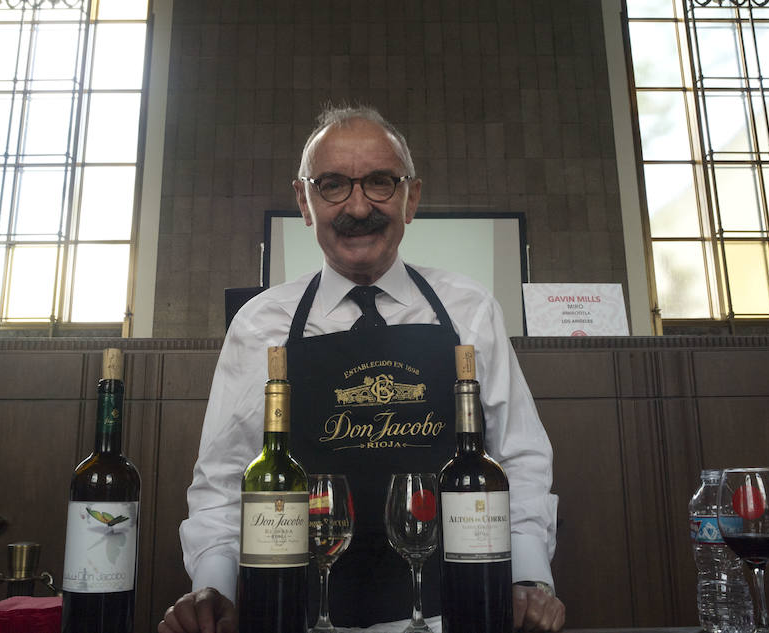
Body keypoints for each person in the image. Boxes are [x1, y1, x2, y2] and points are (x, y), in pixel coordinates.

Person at [159, 106, 566, 633]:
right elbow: (225, 479)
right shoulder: (260, 324)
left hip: (455, 616)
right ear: (304, 202)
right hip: (297, 619)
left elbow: (520, 458)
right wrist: (214, 588)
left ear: (410, 198)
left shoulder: (470, 309)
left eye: (379, 183)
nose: (358, 206)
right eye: (331, 185)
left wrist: (529, 581)